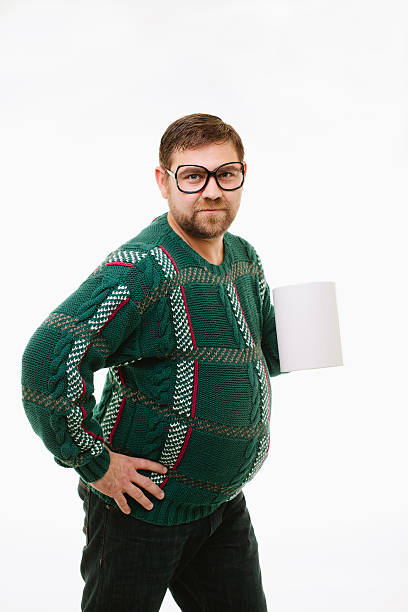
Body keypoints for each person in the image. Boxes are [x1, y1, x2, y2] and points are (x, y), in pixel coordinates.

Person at [21, 113, 286, 611]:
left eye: (225, 174)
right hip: (140, 510)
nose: (211, 191)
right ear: (164, 181)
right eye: (193, 175)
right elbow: (47, 359)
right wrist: (94, 463)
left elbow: (256, 354)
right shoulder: (144, 268)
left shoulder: (244, 257)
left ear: (243, 175)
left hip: (221, 507)